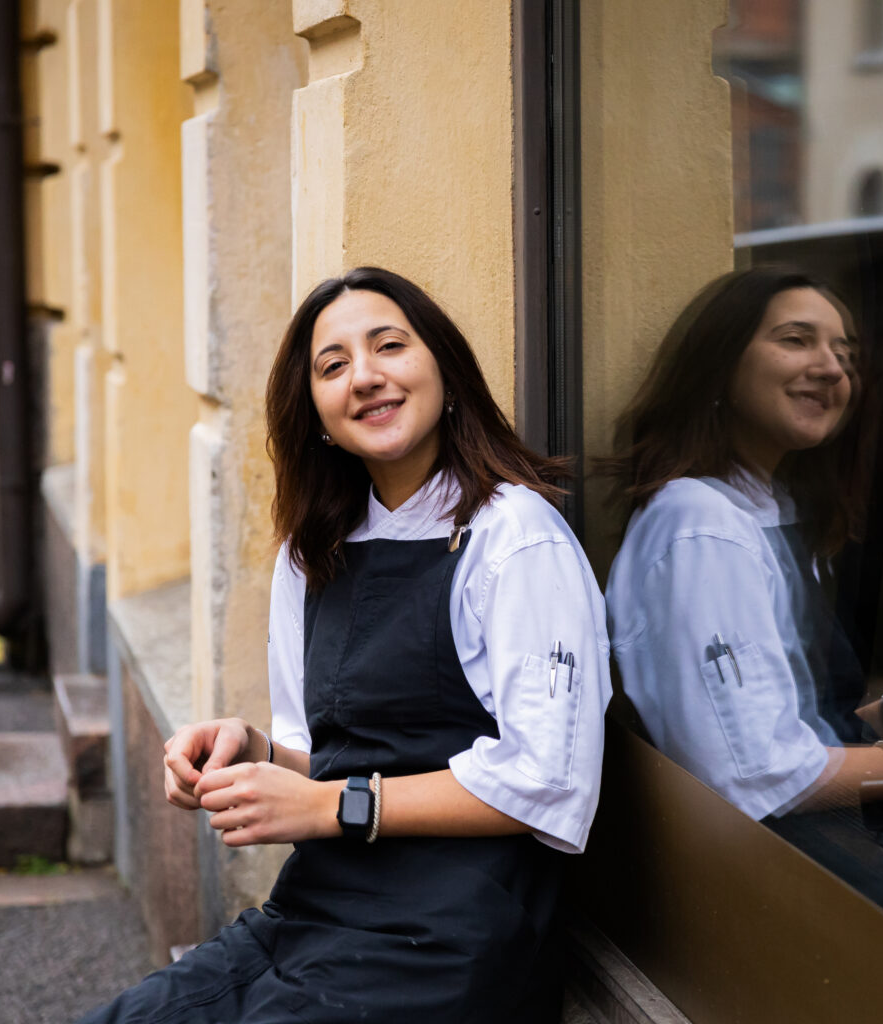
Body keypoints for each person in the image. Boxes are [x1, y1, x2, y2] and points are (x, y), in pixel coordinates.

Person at [80, 267, 610, 1023]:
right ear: (319, 414)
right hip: (313, 913)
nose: (365, 377)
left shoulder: (514, 536)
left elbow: (548, 781)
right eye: (333, 366)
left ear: (446, 373)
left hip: (450, 934)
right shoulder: (315, 548)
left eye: (389, 346)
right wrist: (253, 749)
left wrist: (333, 805)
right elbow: (323, 756)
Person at [602, 265, 883, 822]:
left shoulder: (769, 508)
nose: (831, 368)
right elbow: (755, 773)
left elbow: (787, 713)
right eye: (796, 340)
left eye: (844, 353)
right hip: (798, 870)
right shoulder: (702, 524)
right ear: (721, 364)